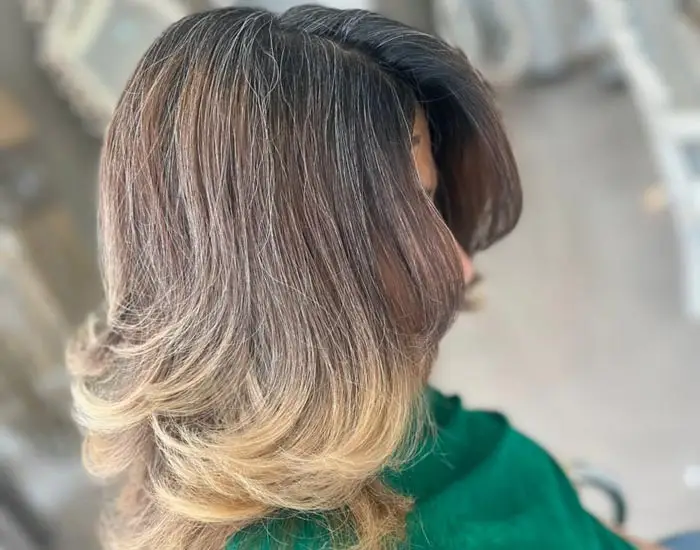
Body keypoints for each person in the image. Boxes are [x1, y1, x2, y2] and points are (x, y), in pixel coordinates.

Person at [66, 6, 664, 550]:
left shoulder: (351, 407)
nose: (461, 268)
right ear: (262, 285)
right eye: (389, 231)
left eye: (430, 204)